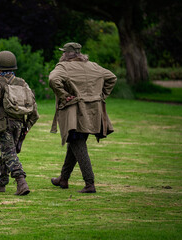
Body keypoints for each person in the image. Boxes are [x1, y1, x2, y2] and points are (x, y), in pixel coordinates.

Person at [48, 42, 117, 193]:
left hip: (74, 113)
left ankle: (89, 183)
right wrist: (101, 96)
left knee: (77, 143)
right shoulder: (94, 66)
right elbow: (111, 78)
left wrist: (63, 95)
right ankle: (63, 179)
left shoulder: (63, 67)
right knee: (75, 142)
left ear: (66, 54)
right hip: (92, 113)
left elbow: (53, 80)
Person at [0, 50, 39, 196]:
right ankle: (1, 182)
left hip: (2, 125)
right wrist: (28, 125)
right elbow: (34, 109)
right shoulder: (22, 83)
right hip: (19, 124)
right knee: (7, 151)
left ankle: (21, 182)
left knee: (9, 153)